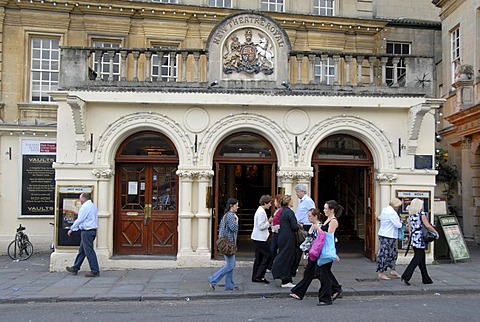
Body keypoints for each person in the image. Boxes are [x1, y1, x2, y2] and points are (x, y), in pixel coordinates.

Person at [401, 198, 439, 286]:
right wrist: (435, 232)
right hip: (420, 238)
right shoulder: (421, 214)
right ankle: (406, 275)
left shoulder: (410, 215)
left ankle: (426, 278)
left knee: (421, 259)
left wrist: (410, 240)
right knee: (417, 258)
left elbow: (409, 229)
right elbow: (427, 225)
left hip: (414, 237)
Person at [290, 208, 323, 300]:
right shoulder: (313, 226)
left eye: (310, 216)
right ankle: (299, 292)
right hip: (311, 253)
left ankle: (334, 288)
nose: (308, 218)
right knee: (310, 273)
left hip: (316, 254)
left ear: (316, 216)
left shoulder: (319, 226)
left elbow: (318, 241)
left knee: (316, 273)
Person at [208, 198, 240, 291]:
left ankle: (229, 285)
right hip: (228, 244)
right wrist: (237, 220)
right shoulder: (230, 216)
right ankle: (213, 279)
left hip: (227, 243)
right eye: (236, 205)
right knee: (230, 265)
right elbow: (234, 228)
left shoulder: (227, 215)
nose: (238, 207)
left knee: (231, 264)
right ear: (231, 205)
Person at [65, 192, 100, 277]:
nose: (80, 200)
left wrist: (72, 229)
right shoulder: (93, 206)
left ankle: (95, 270)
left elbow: (80, 219)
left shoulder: (85, 207)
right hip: (91, 231)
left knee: (89, 251)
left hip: (87, 231)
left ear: (83, 198)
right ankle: (75, 268)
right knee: (82, 251)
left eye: (80, 199)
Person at [316, 200, 343, 306]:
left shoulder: (333, 221)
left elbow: (329, 237)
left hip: (327, 251)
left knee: (323, 274)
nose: (324, 210)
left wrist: (318, 229)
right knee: (322, 272)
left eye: (326, 208)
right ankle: (335, 288)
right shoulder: (328, 220)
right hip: (323, 250)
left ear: (332, 210)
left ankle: (326, 298)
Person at [271, 194, 298, 288]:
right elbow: (294, 226)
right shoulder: (289, 212)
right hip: (288, 237)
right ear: (288, 202)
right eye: (291, 200)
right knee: (288, 257)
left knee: (284, 255)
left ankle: (286, 278)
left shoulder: (281, 211)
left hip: (282, 235)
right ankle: (285, 279)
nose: (293, 202)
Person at [376, 198, 403, 280]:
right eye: (398, 206)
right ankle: (381, 272)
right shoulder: (392, 213)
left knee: (392, 252)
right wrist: (402, 222)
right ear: (395, 206)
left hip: (385, 234)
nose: (398, 208)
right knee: (385, 253)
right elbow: (398, 225)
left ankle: (392, 269)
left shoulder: (385, 210)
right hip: (388, 235)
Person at [292, 184, 316, 276]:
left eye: (298, 192)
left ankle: (308, 269)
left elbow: (312, 213)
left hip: (306, 226)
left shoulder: (308, 201)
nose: (297, 194)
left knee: (302, 248)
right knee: (300, 248)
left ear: (302, 191)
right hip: (301, 225)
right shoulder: (302, 201)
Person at [251, 195, 273, 283]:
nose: (270, 205)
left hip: (257, 237)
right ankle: (260, 275)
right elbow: (261, 226)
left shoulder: (260, 211)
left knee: (259, 257)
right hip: (260, 238)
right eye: (269, 203)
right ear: (265, 203)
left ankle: (256, 276)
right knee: (268, 255)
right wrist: (269, 222)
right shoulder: (261, 212)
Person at [267, 194, 283, 271]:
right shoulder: (277, 211)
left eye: (275, 201)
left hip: (278, 232)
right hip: (276, 232)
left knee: (273, 249)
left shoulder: (281, 211)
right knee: (272, 249)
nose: (274, 203)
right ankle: (270, 266)